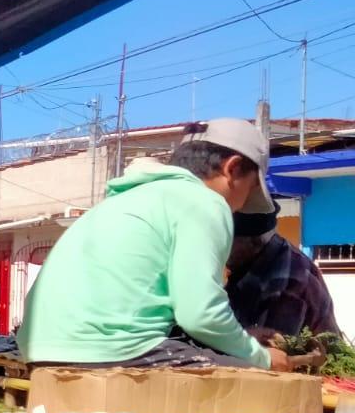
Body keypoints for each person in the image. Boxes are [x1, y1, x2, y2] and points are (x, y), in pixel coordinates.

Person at [18, 118, 290, 372]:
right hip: (109, 354)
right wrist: (260, 357)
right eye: (250, 189)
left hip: (40, 352)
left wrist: (239, 340)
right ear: (232, 168)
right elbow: (201, 315)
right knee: (259, 383)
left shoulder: (131, 198)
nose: (241, 206)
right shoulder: (204, 202)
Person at [227, 207, 340, 342]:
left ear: (254, 241)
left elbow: (269, 353)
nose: (217, 247)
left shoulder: (286, 282)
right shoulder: (254, 261)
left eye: (226, 240)